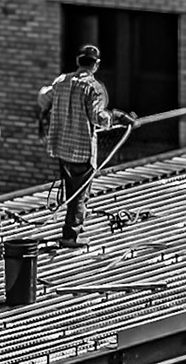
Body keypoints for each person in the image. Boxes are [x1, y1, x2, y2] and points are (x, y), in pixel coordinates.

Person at [37, 44, 135, 248]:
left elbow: (43, 98)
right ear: (96, 65)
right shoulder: (94, 88)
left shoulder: (61, 81)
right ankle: (71, 236)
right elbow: (98, 118)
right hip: (82, 151)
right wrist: (117, 117)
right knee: (79, 194)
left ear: (77, 61)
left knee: (72, 192)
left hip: (61, 149)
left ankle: (73, 226)